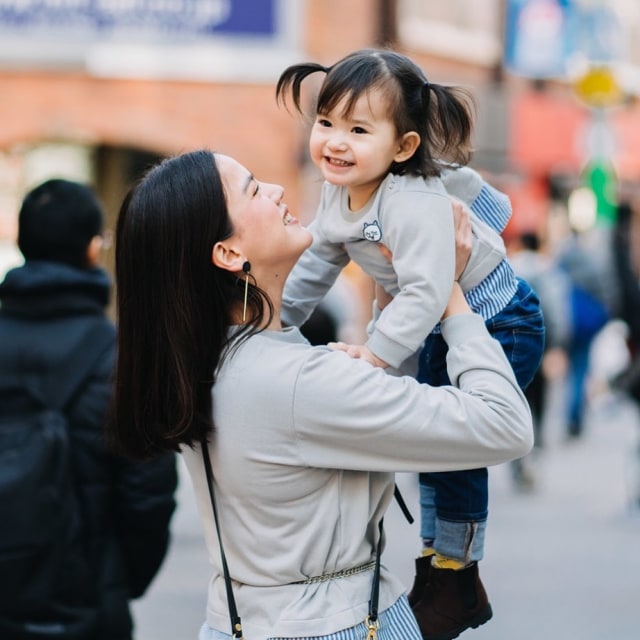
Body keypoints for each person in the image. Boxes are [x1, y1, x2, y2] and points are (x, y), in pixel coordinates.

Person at [105, 149, 533, 640]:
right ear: (228, 253)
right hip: (339, 625)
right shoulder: (295, 381)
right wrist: (448, 289)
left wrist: (390, 306)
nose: (276, 190)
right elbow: (505, 425)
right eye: (252, 190)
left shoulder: (208, 363)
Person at [276, 48, 545, 639]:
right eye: (326, 123)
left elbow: (428, 293)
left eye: (358, 130)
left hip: (499, 321)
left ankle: (455, 572)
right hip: (444, 327)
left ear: (402, 147)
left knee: (453, 448)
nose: (335, 143)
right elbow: (317, 264)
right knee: (436, 453)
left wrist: (373, 355)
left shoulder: (413, 202)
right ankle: (442, 570)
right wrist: (271, 319)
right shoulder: (340, 191)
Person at [0, 178, 178, 640]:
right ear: (93, 249)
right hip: (87, 605)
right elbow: (149, 496)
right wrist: (120, 580)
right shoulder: (122, 359)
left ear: (22, 244)